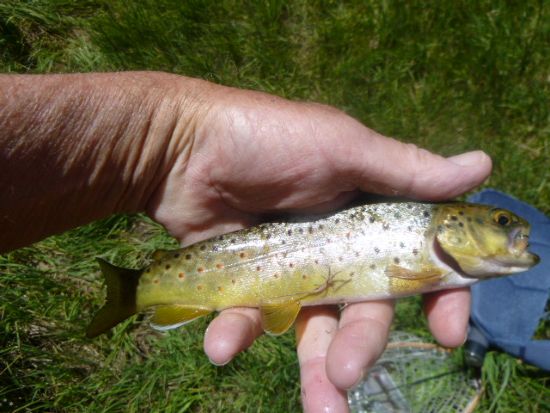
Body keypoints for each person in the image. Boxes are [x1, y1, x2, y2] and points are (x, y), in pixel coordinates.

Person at [0, 71, 492, 412]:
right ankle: (135, 290)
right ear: (455, 224)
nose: (512, 232)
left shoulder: (429, 245)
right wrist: (169, 144)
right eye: (500, 222)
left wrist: (167, 146)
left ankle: (139, 290)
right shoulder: (426, 245)